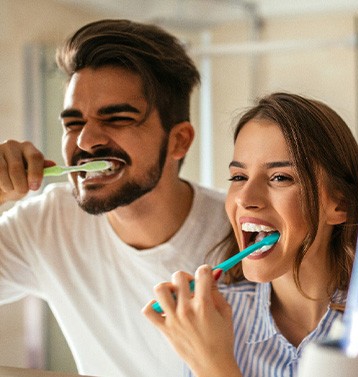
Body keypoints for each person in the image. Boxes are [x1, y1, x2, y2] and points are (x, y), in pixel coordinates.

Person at [0, 19, 239, 377]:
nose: (85, 141)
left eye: (117, 118)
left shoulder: (241, 235)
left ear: (179, 141)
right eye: (73, 123)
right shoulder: (48, 222)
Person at [143, 92, 358, 377]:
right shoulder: (210, 322)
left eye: (280, 178)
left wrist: (214, 366)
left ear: (340, 204)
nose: (245, 198)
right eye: (239, 177)